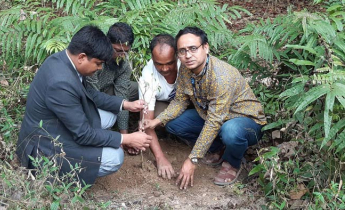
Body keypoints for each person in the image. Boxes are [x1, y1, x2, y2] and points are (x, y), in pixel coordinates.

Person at [16, 25, 152, 186]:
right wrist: (127, 138)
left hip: (60, 125)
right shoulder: (61, 83)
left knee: (108, 117)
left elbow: (91, 94)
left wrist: (125, 104)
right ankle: (61, 178)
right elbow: (83, 134)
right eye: (98, 63)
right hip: (47, 146)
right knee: (115, 157)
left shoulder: (63, 60)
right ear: (81, 57)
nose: (100, 68)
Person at [144, 26, 266, 189]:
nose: (188, 55)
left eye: (193, 49)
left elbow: (214, 122)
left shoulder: (221, 76)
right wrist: (157, 120)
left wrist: (193, 158)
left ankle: (232, 162)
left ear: (206, 47)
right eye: (182, 51)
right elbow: (180, 101)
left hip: (244, 121)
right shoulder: (186, 70)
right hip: (213, 117)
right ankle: (219, 148)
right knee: (173, 124)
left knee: (230, 131)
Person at [138, 34, 181, 179]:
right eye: (159, 64)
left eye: (169, 63)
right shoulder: (147, 76)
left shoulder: (186, 63)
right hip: (164, 104)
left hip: (189, 103)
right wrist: (160, 157)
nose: (164, 68)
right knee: (157, 118)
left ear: (177, 55)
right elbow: (147, 122)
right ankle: (169, 134)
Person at [86, 22, 138, 135]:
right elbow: (93, 96)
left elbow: (122, 94)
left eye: (126, 51)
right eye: (118, 50)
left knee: (137, 88)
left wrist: (124, 136)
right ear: (107, 43)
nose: (122, 55)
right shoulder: (94, 59)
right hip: (89, 94)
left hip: (106, 91)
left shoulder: (124, 64)